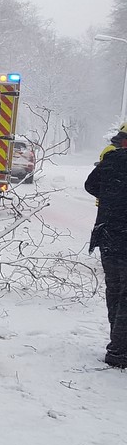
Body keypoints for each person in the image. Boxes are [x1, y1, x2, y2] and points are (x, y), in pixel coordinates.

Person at [85, 128, 127, 368]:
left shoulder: (112, 160)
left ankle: (118, 343)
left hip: (109, 236)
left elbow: (90, 185)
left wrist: (113, 196)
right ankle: (120, 350)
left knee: (115, 290)